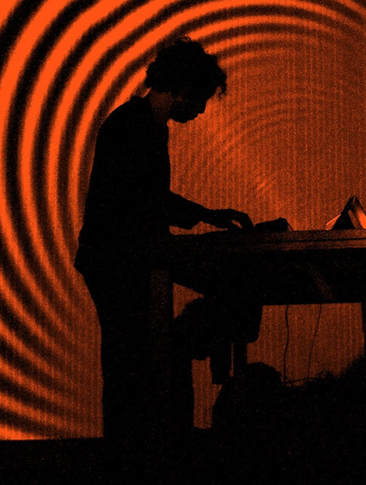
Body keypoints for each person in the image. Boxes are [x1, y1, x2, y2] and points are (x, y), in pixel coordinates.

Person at [74, 37, 253, 450]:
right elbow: (144, 200)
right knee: (130, 358)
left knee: (129, 357)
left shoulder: (139, 124)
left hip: (116, 258)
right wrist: (207, 216)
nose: (201, 109)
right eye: (201, 99)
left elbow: (144, 199)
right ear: (183, 89)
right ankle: (135, 450)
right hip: (117, 261)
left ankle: (133, 447)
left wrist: (205, 215)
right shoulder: (135, 127)